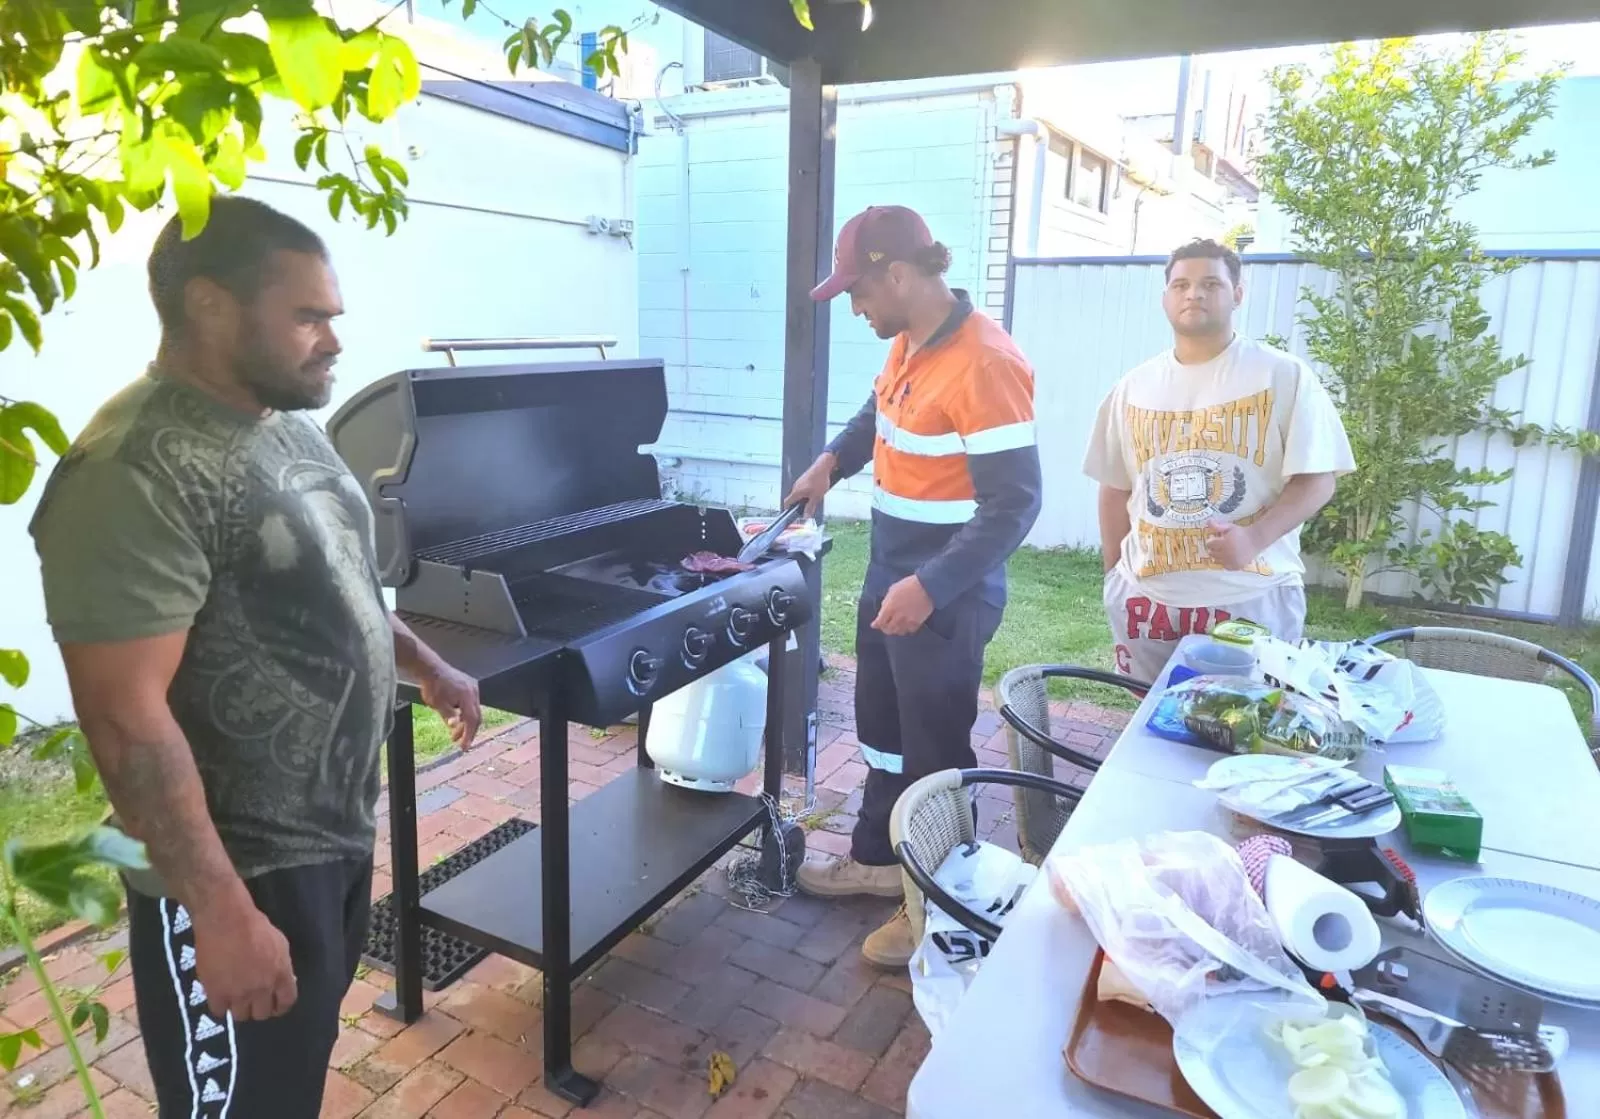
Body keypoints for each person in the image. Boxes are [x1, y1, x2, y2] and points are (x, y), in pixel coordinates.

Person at [29, 196, 482, 1119]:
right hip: (235, 873)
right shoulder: (129, 471)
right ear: (208, 305)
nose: (334, 341)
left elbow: (340, 583)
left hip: (328, 842)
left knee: (289, 1082)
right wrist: (219, 912)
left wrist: (425, 664)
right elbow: (123, 717)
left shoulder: (283, 422)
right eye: (308, 316)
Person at [785, 205, 1042, 968]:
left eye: (857, 292)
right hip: (891, 571)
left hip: (946, 592)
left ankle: (933, 906)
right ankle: (877, 858)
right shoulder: (909, 342)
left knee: (934, 752)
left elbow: (1014, 504)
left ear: (897, 274)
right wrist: (830, 463)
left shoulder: (985, 363)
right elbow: (878, 414)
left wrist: (929, 587)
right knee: (882, 732)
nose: (854, 308)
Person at [1083, 238, 1356, 682]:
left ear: (1238, 294)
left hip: (1251, 597)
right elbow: (1115, 488)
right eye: (1181, 285)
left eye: (1211, 283)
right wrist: (1115, 575)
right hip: (1146, 601)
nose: (1194, 294)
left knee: (1247, 717)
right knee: (1149, 718)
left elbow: (1317, 480)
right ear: (1165, 297)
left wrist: (1253, 538)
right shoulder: (1133, 387)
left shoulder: (1281, 375)